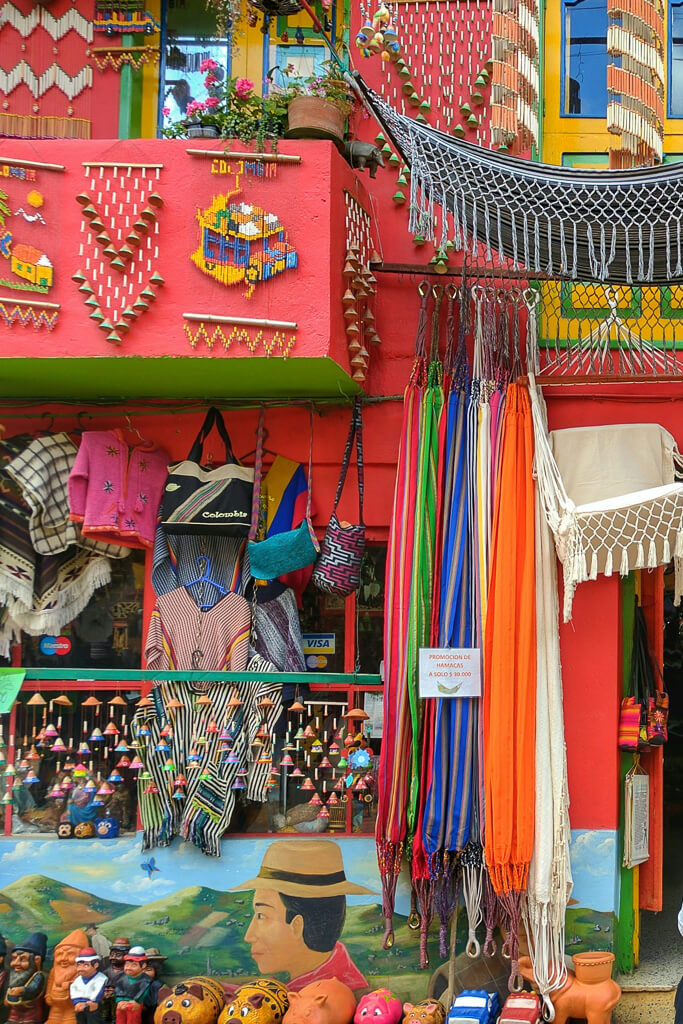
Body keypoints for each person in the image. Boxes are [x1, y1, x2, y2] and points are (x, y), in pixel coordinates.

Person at [233, 839, 374, 995]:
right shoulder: (291, 986)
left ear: (297, 925)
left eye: (262, 916)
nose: (249, 936)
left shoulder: (333, 1000)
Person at [46, 929, 90, 1024]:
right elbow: (50, 983)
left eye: (70, 954)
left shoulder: (82, 973)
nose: (63, 958)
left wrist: (71, 986)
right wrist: (48, 995)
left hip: (72, 1007)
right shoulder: (54, 971)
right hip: (55, 1006)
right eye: (60, 954)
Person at [5, 933, 48, 1024]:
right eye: (14, 959)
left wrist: (22, 990)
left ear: (36, 960)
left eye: (23, 960)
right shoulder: (14, 975)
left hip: (31, 1017)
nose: (16, 963)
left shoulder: (38, 976)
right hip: (13, 1016)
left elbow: (34, 989)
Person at [114, 948, 153, 1024]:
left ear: (143, 965)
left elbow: (143, 992)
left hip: (135, 1003)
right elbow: (118, 989)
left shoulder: (145, 980)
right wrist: (119, 1000)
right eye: (127, 964)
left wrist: (136, 1001)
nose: (128, 968)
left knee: (133, 1017)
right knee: (120, 1015)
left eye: (134, 965)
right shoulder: (121, 977)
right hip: (122, 1001)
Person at [70, 949, 107, 1024]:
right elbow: (74, 990)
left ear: (95, 965)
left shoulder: (101, 979)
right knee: (80, 1017)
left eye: (86, 965)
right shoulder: (78, 980)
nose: (81, 968)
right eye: (79, 965)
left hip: (93, 1004)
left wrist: (91, 1002)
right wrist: (77, 1002)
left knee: (92, 1018)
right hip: (80, 1003)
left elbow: (98, 992)